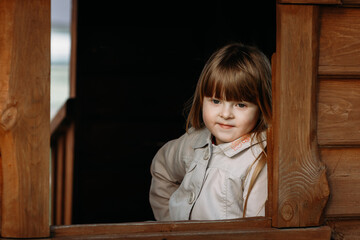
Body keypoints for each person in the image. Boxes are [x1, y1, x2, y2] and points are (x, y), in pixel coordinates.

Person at [149, 42, 272, 221]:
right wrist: (169, 225)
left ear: (261, 107)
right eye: (216, 101)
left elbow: (256, 229)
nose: (225, 114)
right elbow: (162, 167)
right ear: (202, 98)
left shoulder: (259, 158)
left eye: (240, 104)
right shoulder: (193, 140)